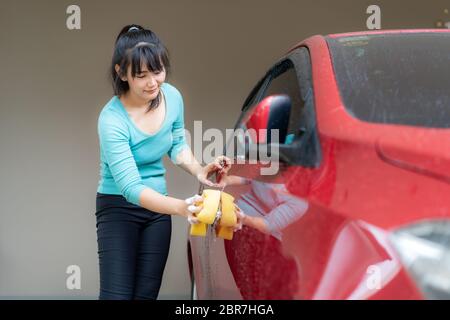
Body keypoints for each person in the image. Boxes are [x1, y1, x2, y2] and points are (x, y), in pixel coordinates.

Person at [95, 24, 230, 300]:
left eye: (157, 71)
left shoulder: (172, 96)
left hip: (158, 211)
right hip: (119, 209)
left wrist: (199, 169)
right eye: (141, 75)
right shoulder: (111, 119)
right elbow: (131, 188)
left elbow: (177, 143)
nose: (153, 82)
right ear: (121, 73)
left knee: (146, 295)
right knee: (116, 297)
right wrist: (181, 207)